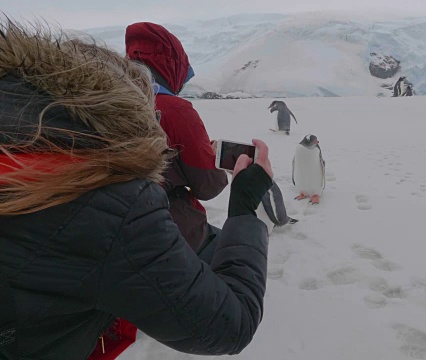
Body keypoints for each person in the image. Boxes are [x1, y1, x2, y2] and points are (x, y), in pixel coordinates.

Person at [0, 19, 273, 359]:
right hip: (160, 233)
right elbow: (231, 325)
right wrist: (244, 207)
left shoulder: (23, 136)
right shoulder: (117, 203)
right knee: (215, 246)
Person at [124, 22, 229, 253]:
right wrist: (210, 157)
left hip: (115, 232)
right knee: (236, 253)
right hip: (168, 233)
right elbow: (208, 186)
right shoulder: (175, 110)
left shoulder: (109, 102)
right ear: (170, 66)